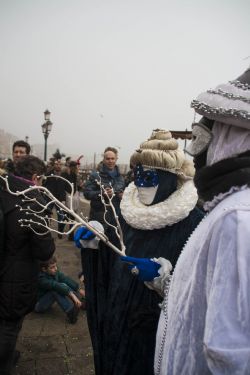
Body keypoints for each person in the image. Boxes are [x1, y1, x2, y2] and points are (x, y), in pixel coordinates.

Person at [139, 66, 250, 375]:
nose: (198, 152)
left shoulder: (239, 219)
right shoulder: (228, 208)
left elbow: (235, 358)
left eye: (205, 138)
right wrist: (166, 281)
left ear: (233, 135)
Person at [75, 130, 204, 375]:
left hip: (153, 331)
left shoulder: (194, 222)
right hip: (117, 315)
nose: (141, 183)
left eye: (150, 176)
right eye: (139, 175)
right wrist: (97, 237)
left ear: (168, 177)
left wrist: (165, 279)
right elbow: (112, 246)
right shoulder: (125, 211)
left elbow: (202, 289)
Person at [0, 155, 55, 374]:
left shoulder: (3, 189)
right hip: (16, 277)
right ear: (35, 177)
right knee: (9, 326)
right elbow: (45, 250)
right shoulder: (32, 203)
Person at [34, 255, 85, 324]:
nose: (56, 268)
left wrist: (78, 289)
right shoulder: (41, 279)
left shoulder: (54, 271)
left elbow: (65, 279)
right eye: (52, 267)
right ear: (44, 269)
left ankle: (80, 304)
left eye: (55, 266)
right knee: (55, 289)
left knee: (63, 284)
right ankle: (71, 312)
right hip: (39, 305)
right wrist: (73, 296)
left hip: (47, 298)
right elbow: (56, 285)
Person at [83, 146, 125, 225]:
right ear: (103, 159)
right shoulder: (95, 175)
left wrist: (122, 195)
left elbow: (122, 191)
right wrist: (102, 193)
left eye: (112, 159)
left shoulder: (120, 177)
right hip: (99, 216)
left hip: (116, 217)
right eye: (108, 159)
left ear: (116, 159)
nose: (110, 161)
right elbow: (87, 193)